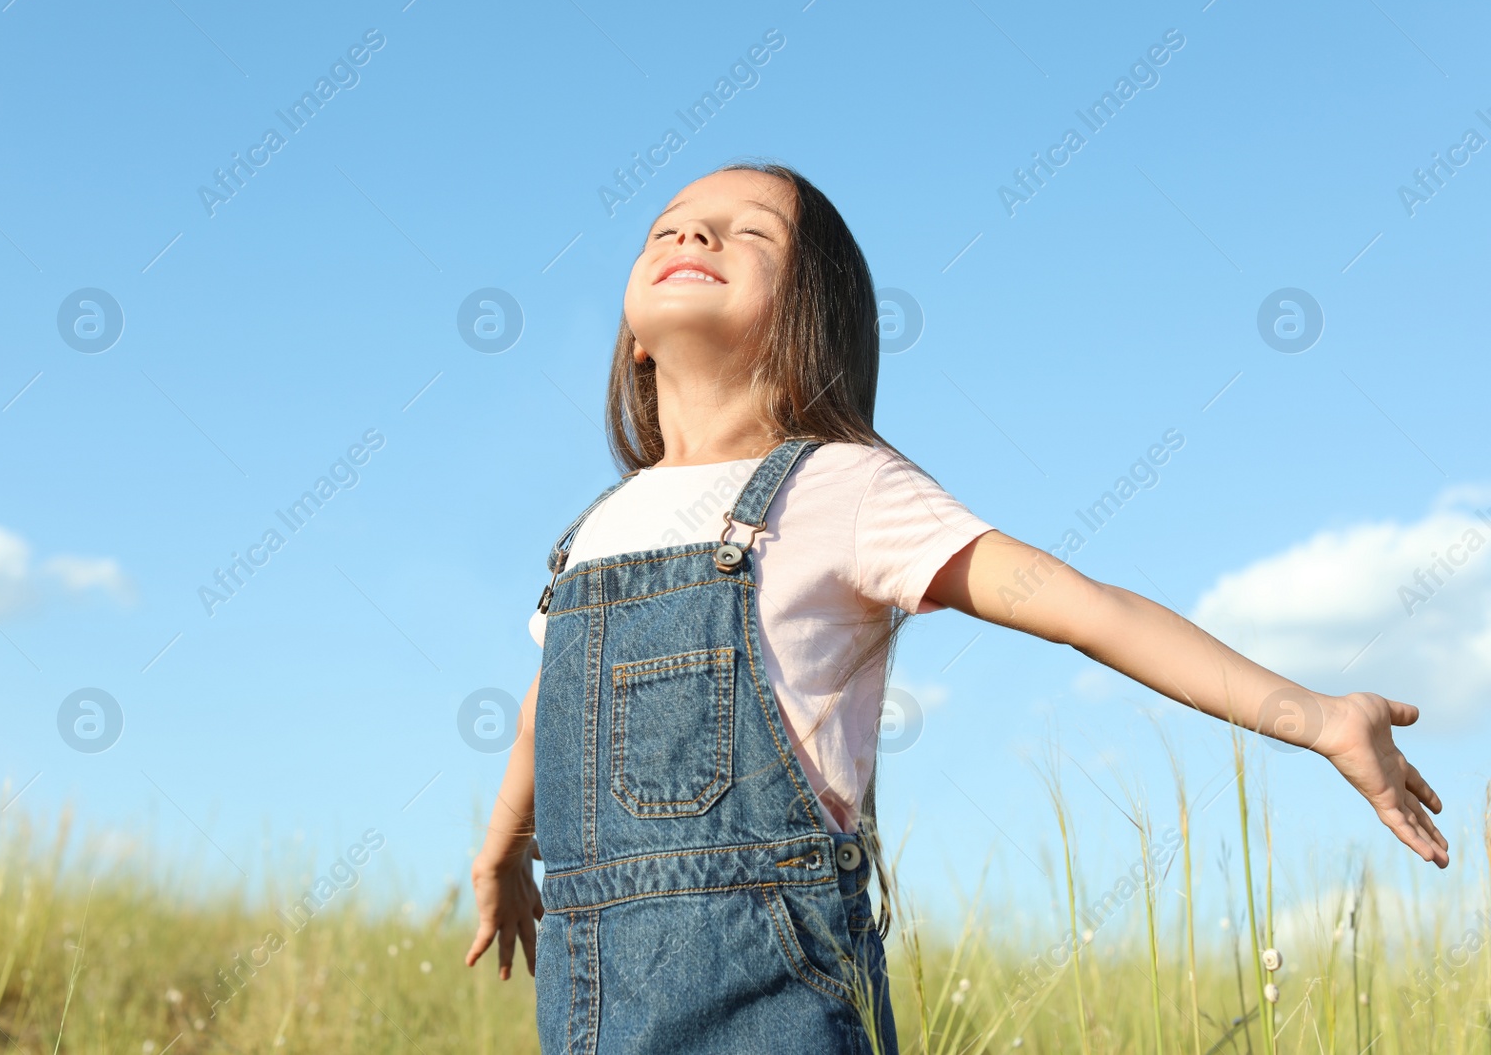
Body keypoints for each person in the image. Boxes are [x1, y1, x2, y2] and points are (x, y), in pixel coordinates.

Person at [464, 161, 1449, 1054]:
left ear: (810, 319)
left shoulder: (840, 489)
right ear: (633, 339)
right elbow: (550, 703)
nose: (692, 236)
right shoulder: (593, 527)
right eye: (668, 227)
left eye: (748, 232)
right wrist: (504, 850)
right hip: (594, 991)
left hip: (772, 985)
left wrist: (1316, 715)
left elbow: (1083, 607)